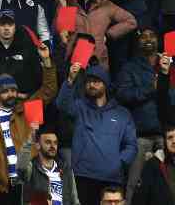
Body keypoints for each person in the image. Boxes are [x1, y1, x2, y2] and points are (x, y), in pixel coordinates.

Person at [0, 42, 57, 205]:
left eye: (13, 90)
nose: (10, 94)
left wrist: (47, 62)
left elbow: (49, 90)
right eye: (5, 91)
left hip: (28, 184)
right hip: (1, 188)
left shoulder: (25, 110)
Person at [56, 63, 138, 205]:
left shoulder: (122, 113)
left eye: (96, 81)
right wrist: (70, 80)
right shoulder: (79, 107)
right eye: (88, 82)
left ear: (105, 84)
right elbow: (61, 104)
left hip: (112, 178)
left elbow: (131, 145)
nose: (91, 85)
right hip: (83, 175)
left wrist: (118, 163)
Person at [55, 0, 137, 72]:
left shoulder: (105, 4)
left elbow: (131, 21)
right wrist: (64, 6)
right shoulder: (66, 4)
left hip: (98, 60)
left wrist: (108, 34)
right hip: (75, 62)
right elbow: (64, 38)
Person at [114, 29, 164, 201]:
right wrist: (151, 88)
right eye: (144, 36)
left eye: (152, 35)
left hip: (168, 134)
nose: (148, 39)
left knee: (167, 183)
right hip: (141, 136)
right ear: (137, 42)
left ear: (158, 40)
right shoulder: (130, 67)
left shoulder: (167, 64)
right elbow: (122, 95)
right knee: (134, 185)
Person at [16, 125, 77, 205]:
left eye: (55, 143)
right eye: (48, 142)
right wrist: (29, 142)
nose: (52, 146)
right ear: (38, 145)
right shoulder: (32, 168)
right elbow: (21, 168)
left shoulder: (66, 169)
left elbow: (74, 200)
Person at [132, 123, 175, 205]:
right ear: (164, 142)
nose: (174, 141)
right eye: (170, 138)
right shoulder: (153, 165)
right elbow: (140, 197)